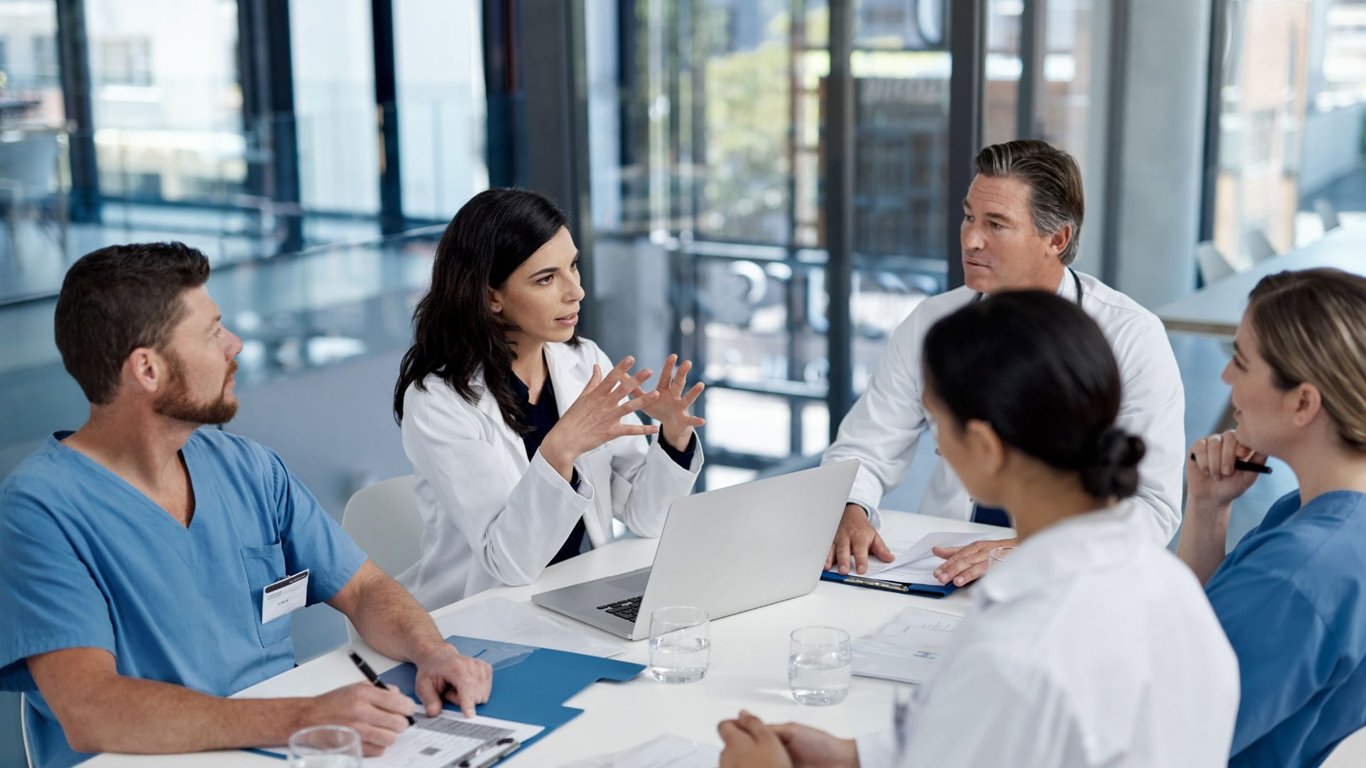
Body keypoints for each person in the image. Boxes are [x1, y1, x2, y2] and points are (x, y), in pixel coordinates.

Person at [0, 243, 493, 768]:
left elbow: (365, 588)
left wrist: (431, 651)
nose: (233, 344)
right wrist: (304, 718)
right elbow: (91, 709)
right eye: (212, 332)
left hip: (280, 749)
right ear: (147, 368)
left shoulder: (247, 468)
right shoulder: (39, 513)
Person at [718, 291, 1238, 768]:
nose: (938, 446)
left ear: (986, 448)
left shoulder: (1021, 651)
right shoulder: (1170, 587)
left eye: (939, 423)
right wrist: (856, 757)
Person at [821, 139, 1184, 585]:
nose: (971, 240)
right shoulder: (932, 321)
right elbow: (864, 446)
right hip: (940, 567)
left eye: (996, 224)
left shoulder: (1131, 336)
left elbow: (1153, 507)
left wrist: (1031, 549)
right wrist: (849, 507)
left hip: (1068, 574)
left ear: (1057, 239)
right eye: (969, 217)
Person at [392, 188, 704, 609]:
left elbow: (645, 516)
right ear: (491, 296)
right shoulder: (438, 402)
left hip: (579, 591)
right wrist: (561, 449)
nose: (576, 291)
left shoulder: (583, 360)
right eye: (546, 279)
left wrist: (673, 437)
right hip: (483, 611)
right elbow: (508, 562)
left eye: (572, 266)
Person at [1177, 269, 1366, 767]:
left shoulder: (1297, 574)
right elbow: (1201, 632)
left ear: (1303, 402)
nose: (1225, 378)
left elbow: (1157, 734)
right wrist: (1208, 508)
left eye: (1241, 362)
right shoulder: (1314, 514)